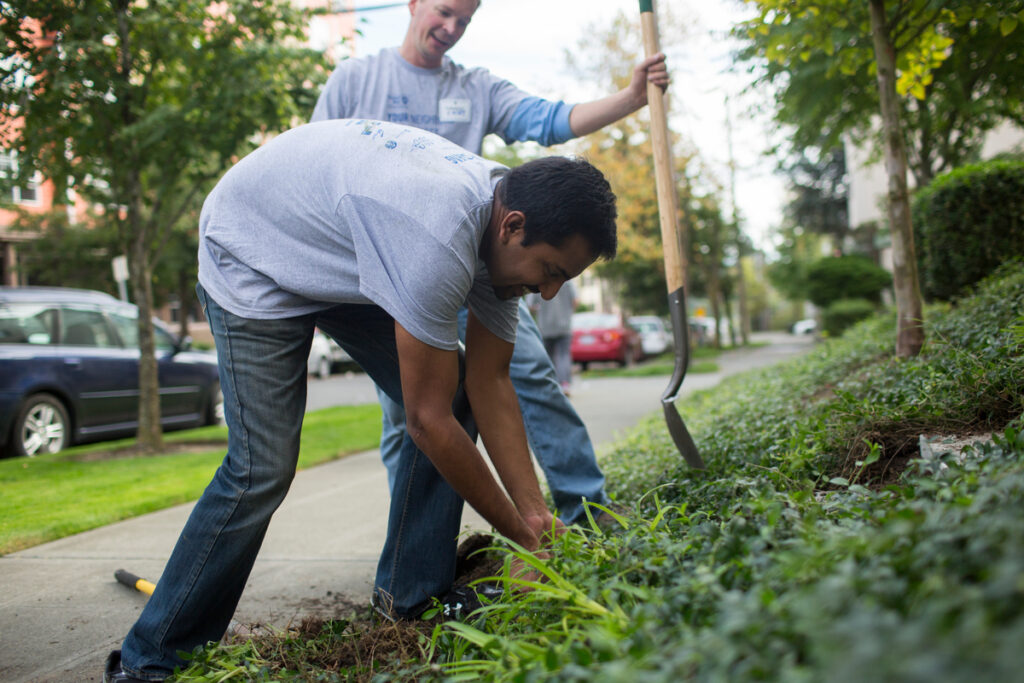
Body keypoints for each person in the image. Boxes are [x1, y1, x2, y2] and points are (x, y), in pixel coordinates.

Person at [103, 118, 618, 682]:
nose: (548, 293)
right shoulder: (437, 234)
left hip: (338, 252)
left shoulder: (498, 232)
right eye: (549, 272)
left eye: (560, 280)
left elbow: (490, 384)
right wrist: (524, 542)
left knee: (460, 398)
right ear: (512, 225)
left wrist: (535, 515)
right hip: (252, 249)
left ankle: (411, 599)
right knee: (261, 469)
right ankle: (148, 659)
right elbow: (425, 421)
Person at [311, 0, 669, 524]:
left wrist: (632, 97)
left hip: (481, 265)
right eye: (444, 11)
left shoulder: (475, 87)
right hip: (392, 276)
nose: (451, 28)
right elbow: (322, 163)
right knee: (405, 412)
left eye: (465, 20)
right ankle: (411, 551)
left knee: (528, 375)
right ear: (413, 4)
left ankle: (585, 508)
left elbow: (551, 120)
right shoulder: (356, 79)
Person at [527, 281, 577, 394]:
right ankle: (565, 384)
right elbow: (575, 301)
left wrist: (540, 310)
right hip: (564, 326)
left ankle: (552, 384)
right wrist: (567, 313)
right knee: (564, 355)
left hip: (545, 326)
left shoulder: (539, 279)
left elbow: (530, 305)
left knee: (548, 356)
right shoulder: (567, 280)